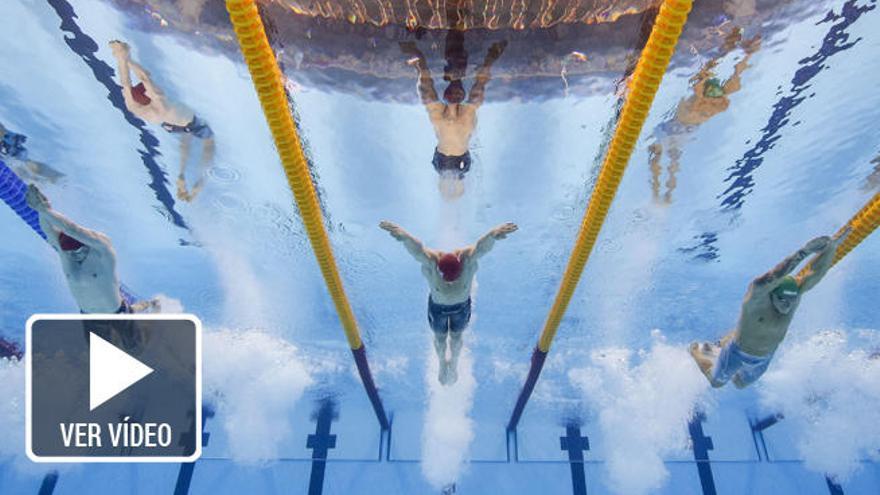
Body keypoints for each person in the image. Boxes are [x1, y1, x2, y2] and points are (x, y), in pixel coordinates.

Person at [690, 228, 851, 389]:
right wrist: (803, 252)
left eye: (791, 300)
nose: (787, 304)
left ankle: (725, 341)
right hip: (738, 353)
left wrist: (830, 248)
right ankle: (697, 351)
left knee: (739, 383)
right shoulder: (756, 300)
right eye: (782, 300)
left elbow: (816, 273)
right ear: (772, 295)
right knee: (716, 383)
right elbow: (770, 278)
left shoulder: (795, 294)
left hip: (765, 357)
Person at [379, 220, 517, 385]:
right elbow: (418, 249)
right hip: (438, 309)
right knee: (440, 339)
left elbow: (480, 247)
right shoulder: (432, 261)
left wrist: (492, 234)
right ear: (439, 269)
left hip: (460, 308)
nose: (451, 282)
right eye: (448, 279)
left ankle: (455, 362)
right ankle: (442, 363)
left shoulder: (467, 259)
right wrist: (405, 236)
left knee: (457, 337)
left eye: (454, 278)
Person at [648, 31, 760, 204]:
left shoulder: (701, 97)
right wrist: (748, 54)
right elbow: (736, 74)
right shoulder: (719, 100)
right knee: (672, 160)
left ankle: (658, 194)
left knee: (658, 154)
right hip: (687, 129)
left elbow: (708, 73)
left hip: (677, 126)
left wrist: (735, 51)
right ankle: (666, 195)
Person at [400, 36, 507, 200]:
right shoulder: (447, 168)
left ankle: (489, 58)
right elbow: (444, 157)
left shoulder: (457, 168)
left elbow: (462, 158)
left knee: (473, 92)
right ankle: (419, 59)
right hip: (449, 134)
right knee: (430, 90)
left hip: (456, 135)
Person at [26, 184, 158, 315]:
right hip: (89, 317)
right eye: (70, 252)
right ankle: (144, 306)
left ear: (86, 244)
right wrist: (41, 210)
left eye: (78, 251)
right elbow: (49, 231)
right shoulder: (66, 253)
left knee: (135, 318)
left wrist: (44, 209)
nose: (74, 256)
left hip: (116, 314)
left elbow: (72, 229)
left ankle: (147, 305)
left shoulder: (102, 248)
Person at [109, 40, 215, 202]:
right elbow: (144, 77)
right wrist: (126, 57)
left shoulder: (133, 106)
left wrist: (122, 58)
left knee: (189, 148)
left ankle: (188, 184)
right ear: (148, 96)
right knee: (207, 144)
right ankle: (193, 188)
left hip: (173, 124)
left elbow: (126, 83)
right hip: (187, 123)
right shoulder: (159, 104)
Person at [0, 123, 64, 184]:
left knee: (23, 167)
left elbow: (7, 134)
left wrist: (15, 138)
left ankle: (53, 178)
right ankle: (41, 182)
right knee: (21, 169)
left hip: (16, 156)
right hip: (12, 157)